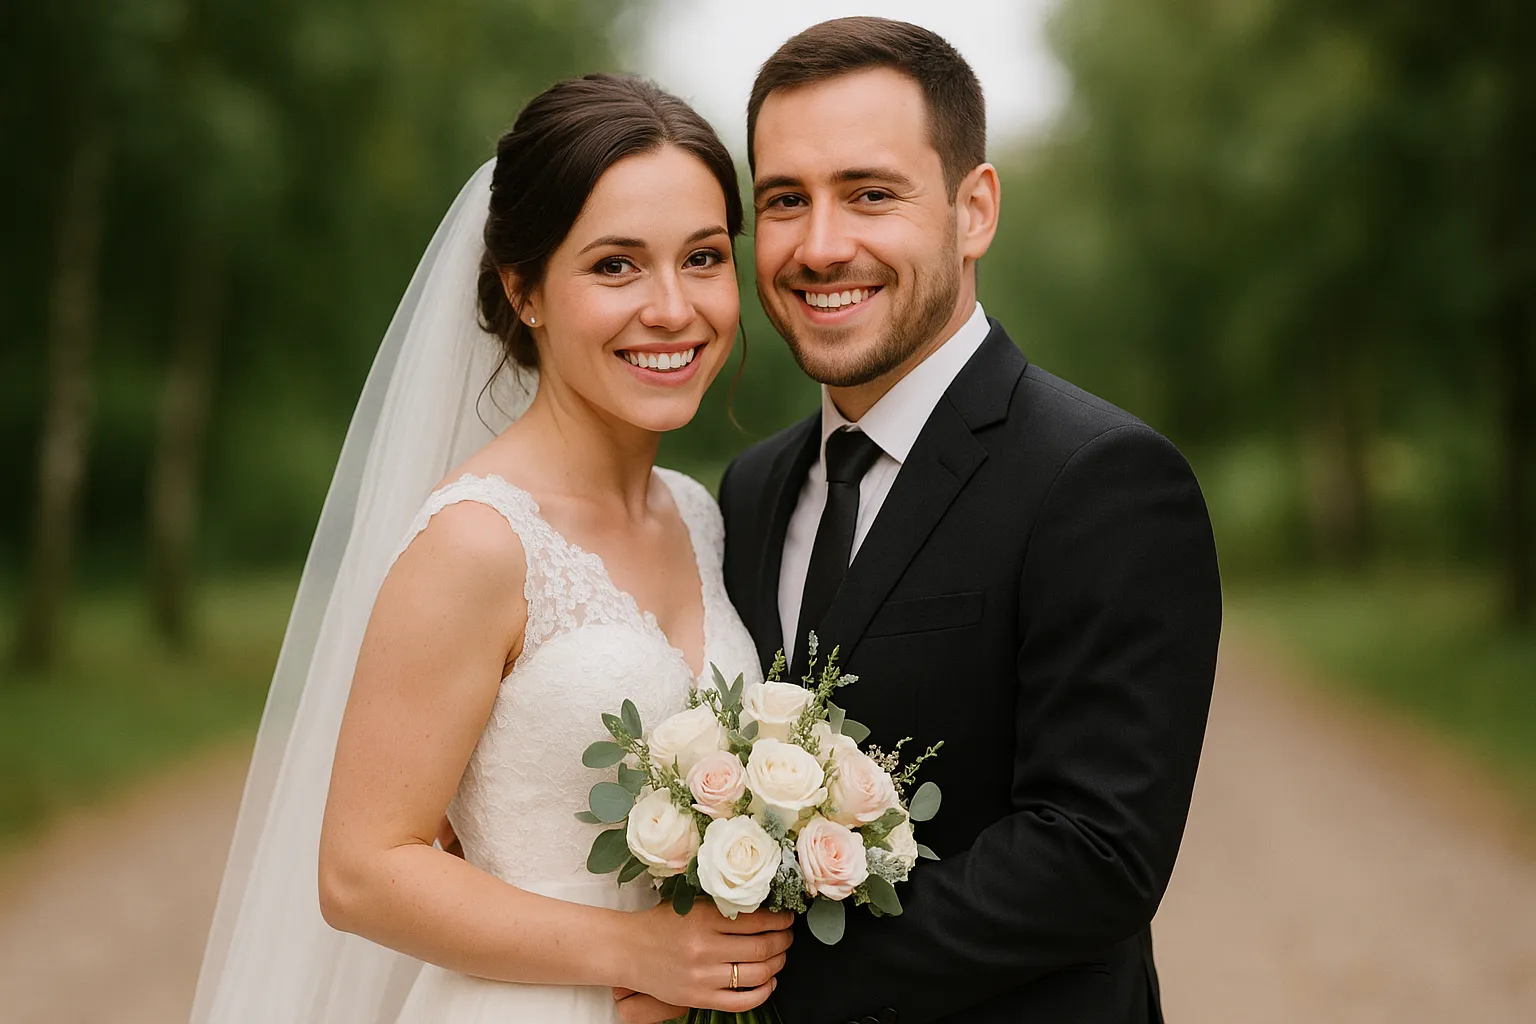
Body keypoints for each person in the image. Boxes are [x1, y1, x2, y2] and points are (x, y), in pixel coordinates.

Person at [627, 17, 1223, 1024]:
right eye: (784, 201)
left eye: (869, 193)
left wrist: (751, 980)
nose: (821, 246)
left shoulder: (1103, 480)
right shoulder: (751, 487)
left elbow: (1095, 858)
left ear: (974, 208)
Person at [190, 74, 793, 1024]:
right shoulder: (478, 541)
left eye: (705, 257)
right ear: (526, 291)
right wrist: (637, 950)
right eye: (616, 266)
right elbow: (361, 870)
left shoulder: (697, 513)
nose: (674, 308)